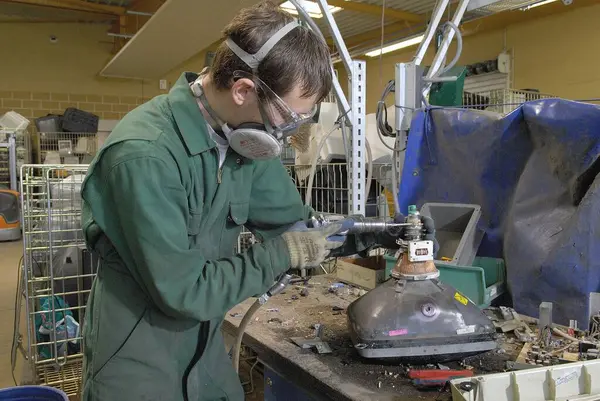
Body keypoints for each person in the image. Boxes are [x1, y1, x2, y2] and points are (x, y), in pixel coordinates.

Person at [79, 1, 435, 400]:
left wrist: (374, 232)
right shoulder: (144, 156)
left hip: (204, 350)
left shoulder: (239, 138)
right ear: (243, 89)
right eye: (289, 119)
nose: (289, 134)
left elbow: (297, 228)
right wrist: (281, 254)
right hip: (140, 360)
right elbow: (186, 291)